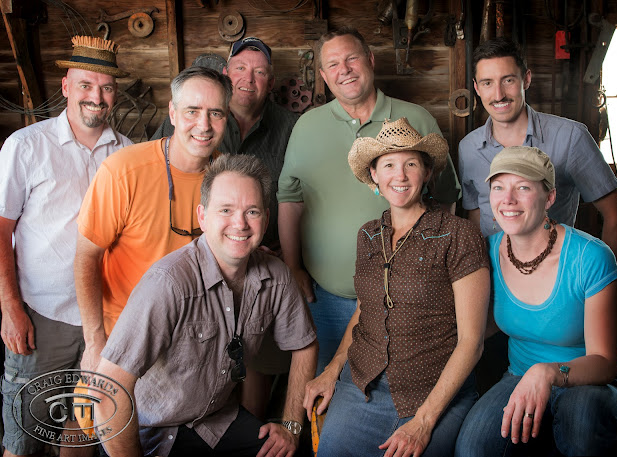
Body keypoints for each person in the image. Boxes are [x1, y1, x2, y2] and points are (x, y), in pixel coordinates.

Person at [92, 154, 318, 457]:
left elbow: (305, 346)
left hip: (214, 420)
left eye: (251, 211)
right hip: (148, 431)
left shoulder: (276, 276)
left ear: (265, 218)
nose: (240, 223)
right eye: (226, 210)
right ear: (202, 216)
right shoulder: (168, 283)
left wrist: (291, 426)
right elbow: (108, 390)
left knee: (292, 453)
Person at [278, 27, 462, 374]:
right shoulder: (306, 127)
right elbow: (289, 198)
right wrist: (293, 268)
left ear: (370, 60)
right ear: (323, 76)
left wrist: (430, 269)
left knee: (397, 389)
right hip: (326, 297)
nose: (344, 70)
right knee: (327, 390)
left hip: (402, 299)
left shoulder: (416, 119)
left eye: (352, 58)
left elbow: (446, 197)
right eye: (333, 64)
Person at [303, 118, 490, 457]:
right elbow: (365, 311)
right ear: (374, 174)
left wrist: (424, 422)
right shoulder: (368, 235)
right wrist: (332, 370)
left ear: (427, 172)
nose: (399, 176)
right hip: (363, 386)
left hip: (434, 392)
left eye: (411, 164)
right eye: (388, 165)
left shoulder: (459, 234)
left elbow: (471, 343)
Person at [151, 36, 299, 419]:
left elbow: (297, 193)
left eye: (260, 72)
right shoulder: (206, 122)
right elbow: (164, 171)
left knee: (255, 359)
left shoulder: (289, 127)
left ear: (270, 81)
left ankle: (249, 431)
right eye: (241, 69)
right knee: (199, 360)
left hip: (258, 259)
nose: (249, 79)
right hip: (195, 259)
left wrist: (283, 254)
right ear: (226, 73)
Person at [455, 146, 617, 457]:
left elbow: (604, 363)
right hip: (519, 376)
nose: (508, 199)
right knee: (472, 448)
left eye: (523, 187)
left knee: (582, 424)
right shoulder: (487, 251)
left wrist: (547, 372)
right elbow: (479, 327)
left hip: (591, 384)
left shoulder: (590, 256)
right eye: (498, 187)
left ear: (549, 197)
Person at [0, 36, 131, 456]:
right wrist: (10, 307)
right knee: (24, 439)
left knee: (81, 432)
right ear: (66, 87)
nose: (96, 97)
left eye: (106, 88)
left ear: (116, 93)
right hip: (42, 316)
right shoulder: (26, 146)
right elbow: (1, 229)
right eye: (86, 85)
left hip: (104, 320)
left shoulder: (128, 155)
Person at [74, 66, 232, 374]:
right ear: (172, 113)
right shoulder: (123, 171)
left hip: (196, 339)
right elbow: (86, 257)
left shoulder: (228, 177)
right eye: (192, 111)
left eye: (215, 113)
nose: (204, 125)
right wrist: (94, 342)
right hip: (125, 337)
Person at [458, 37, 617, 267]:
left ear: (526, 79)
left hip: (556, 275)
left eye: (508, 80)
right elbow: (476, 217)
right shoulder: (468, 147)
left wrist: (604, 280)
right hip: (493, 276)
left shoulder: (570, 137)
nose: (498, 95)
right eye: (487, 83)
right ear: (477, 88)